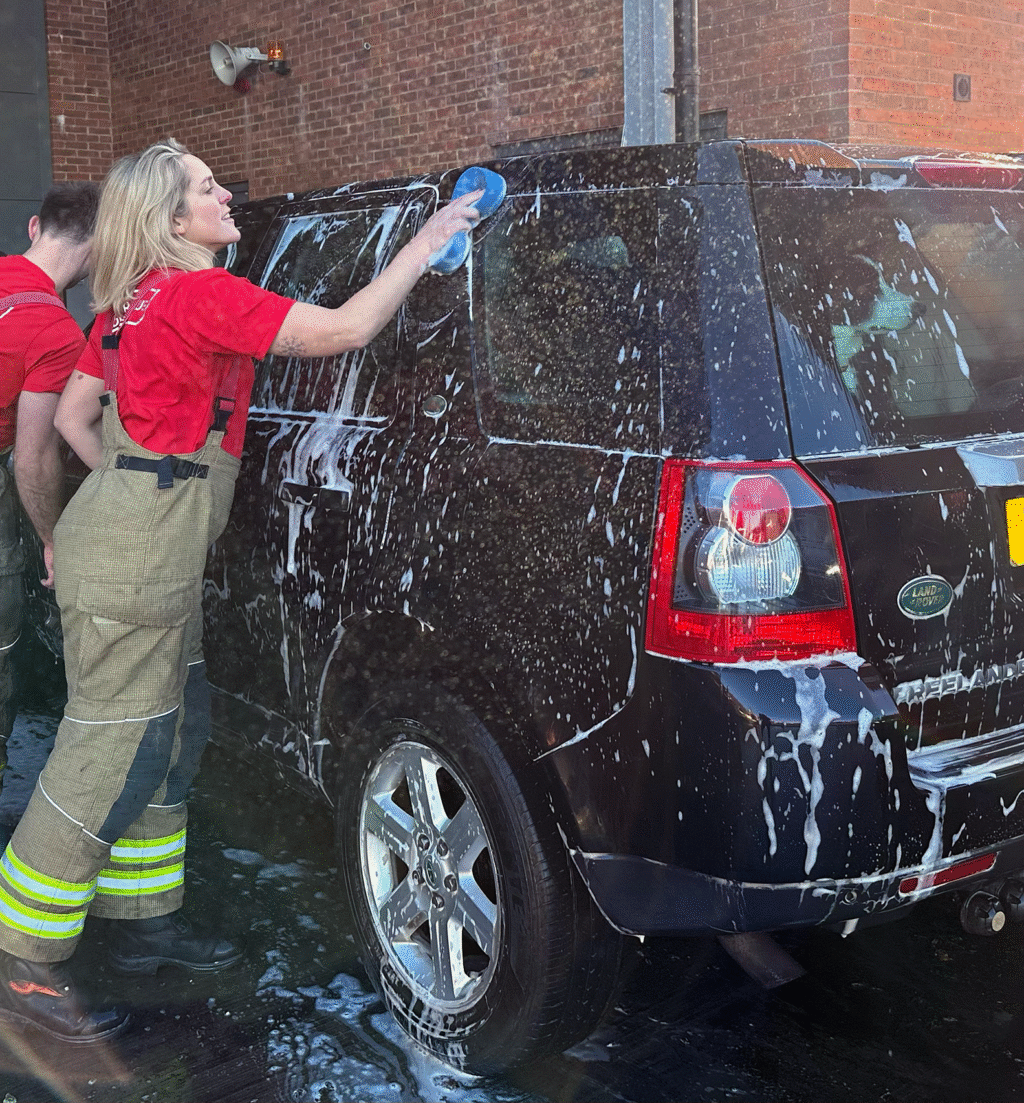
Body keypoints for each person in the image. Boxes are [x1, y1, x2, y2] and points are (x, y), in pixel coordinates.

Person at [0, 139, 482, 1043]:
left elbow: (72, 418)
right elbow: (342, 331)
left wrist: (130, 494)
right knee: (107, 745)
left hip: (140, 533)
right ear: (172, 220)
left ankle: (142, 923)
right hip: (142, 543)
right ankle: (20, 961)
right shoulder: (197, 291)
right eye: (207, 188)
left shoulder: (125, 300)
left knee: (168, 729)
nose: (226, 196)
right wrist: (428, 240)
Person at [0, 182, 98, 791]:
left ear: (35, 228)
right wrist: (53, 539)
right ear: (96, 250)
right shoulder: (57, 333)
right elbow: (33, 459)